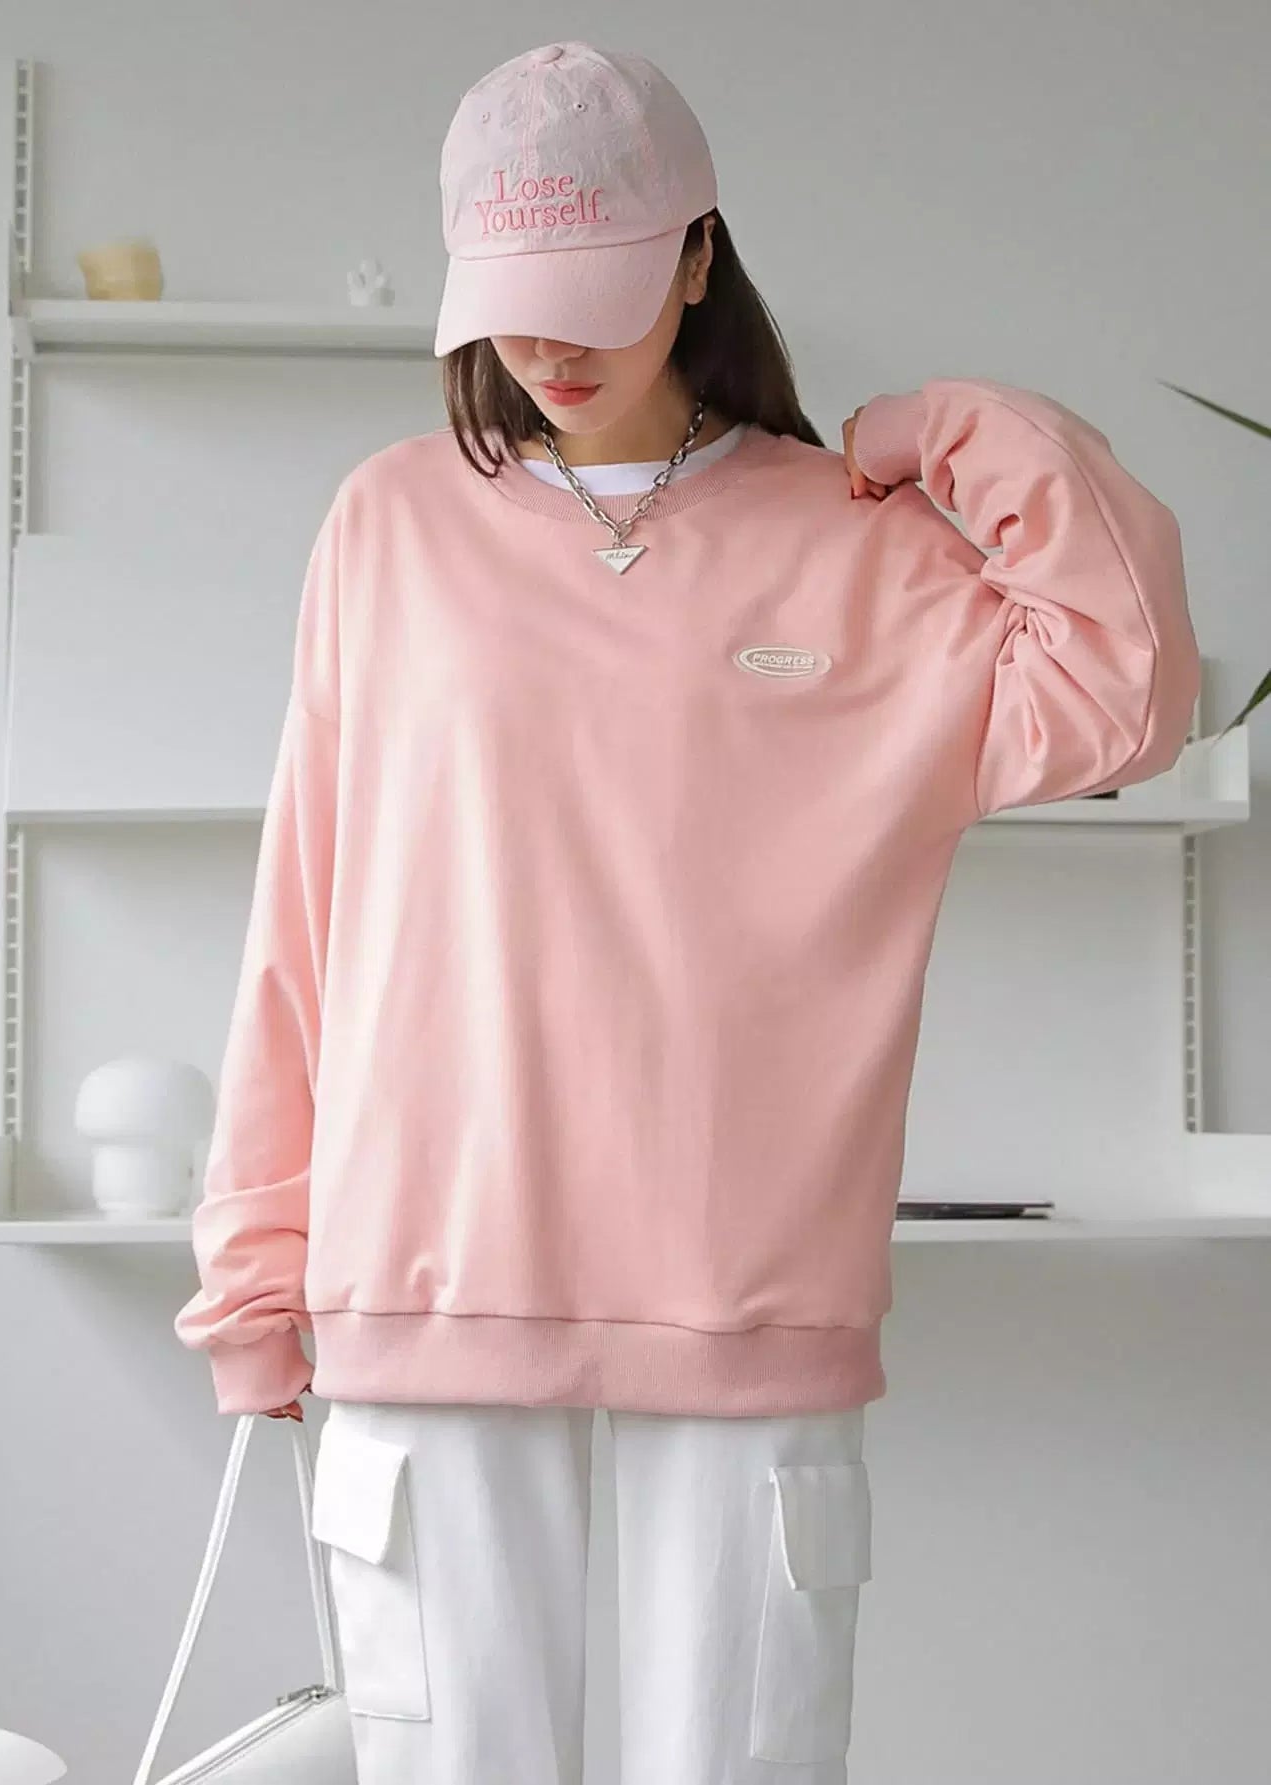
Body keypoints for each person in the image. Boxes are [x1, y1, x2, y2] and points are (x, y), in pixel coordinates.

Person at [173, 39, 1201, 1785]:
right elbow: (308, 914)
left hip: (749, 1281)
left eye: (594, 292)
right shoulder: (390, 526)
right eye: (511, 304)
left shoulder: (857, 541)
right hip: (431, 1260)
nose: (549, 349)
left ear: (701, 253)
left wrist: (956, 430)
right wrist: (253, 1270)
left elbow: (1129, 690)